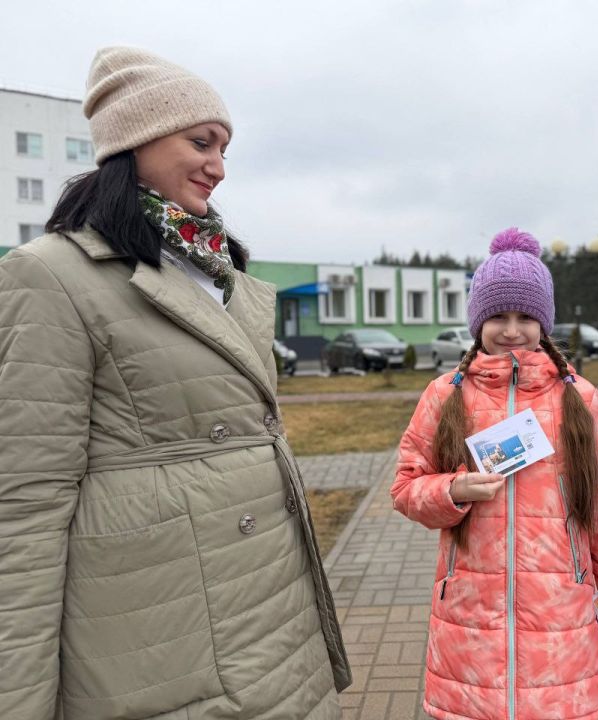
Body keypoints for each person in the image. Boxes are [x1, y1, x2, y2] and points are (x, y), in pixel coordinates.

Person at [0, 47, 349, 719]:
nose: (219, 166)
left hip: (274, 621)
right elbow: (24, 507)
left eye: (224, 146)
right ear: (136, 139)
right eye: (202, 141)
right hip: (166, 649)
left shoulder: (218, 272)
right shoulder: (49, 275)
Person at [391, 229, 598, 720]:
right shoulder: (446, 396)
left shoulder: (579, 399)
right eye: (498, 316)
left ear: (544, 322)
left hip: (561, 620)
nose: (512, 330)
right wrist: (452, 490)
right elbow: (405, 487)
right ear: (477, 321)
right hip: (468, 619)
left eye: (526, 316)